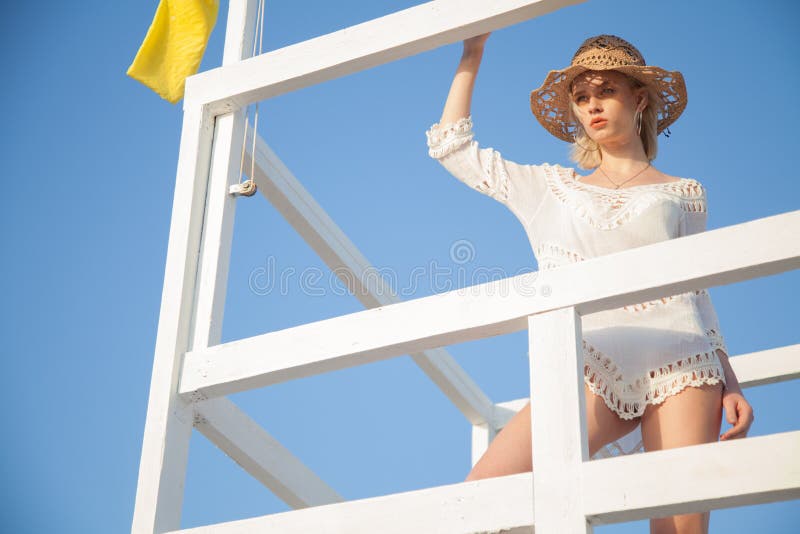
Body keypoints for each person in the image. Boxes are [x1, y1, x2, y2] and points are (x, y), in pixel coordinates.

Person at [425, 34, 755, 533]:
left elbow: (697, 296)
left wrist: (730, 382)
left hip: (683, 365)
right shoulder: (549, 188)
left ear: (639, 98)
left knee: (678, 528)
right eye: (581, 97)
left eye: (606, 91)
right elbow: (452, 147)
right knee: (482, 501)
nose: (592, 105)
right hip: (591, 364)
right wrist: (472, 55)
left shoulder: (684, 194)